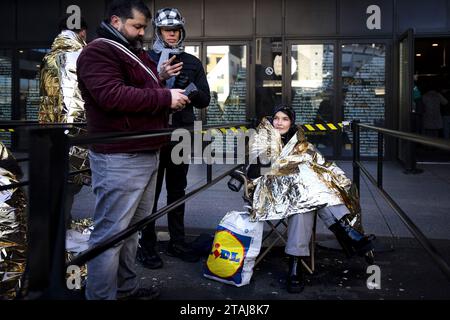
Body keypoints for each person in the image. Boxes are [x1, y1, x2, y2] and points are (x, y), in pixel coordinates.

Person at [76, 0, 189, 300]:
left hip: (143, 151)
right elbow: (112, 95)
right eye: (137, 26)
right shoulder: (98, 51)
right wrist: (165, 97)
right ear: (116, 21)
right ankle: (101, 296)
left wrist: (160, 77)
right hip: (120, 156)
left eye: (144, 28)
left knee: (130, 233)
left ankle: (124, 289)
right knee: (111, 235)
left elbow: (137, 85)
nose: (142, 33)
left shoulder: (130, 50)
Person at [246, 105, 375, 293]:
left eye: (285, 119)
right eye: (277, 118)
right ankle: (346, 231)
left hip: (299, 194)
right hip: (270, 190)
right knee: (308, 186)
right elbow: (254, 170)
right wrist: (284, 166)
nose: (279, 122)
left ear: (291, 123)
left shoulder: (300, 141)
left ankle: (295, 265)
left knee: (306, 200)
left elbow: (318, 163)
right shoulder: (262, 137)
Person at [137, 7, 210, 268]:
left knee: (177, 191)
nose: (172, 34)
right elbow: (136, 94)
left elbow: (206, 99)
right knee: (150, 194)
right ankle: (146, 246)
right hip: (153, 133)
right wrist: (161, 77)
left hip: (180, 135)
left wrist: (186, 89)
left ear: (182, 31)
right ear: (158, 31)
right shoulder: (143, 58)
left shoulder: (192, 62)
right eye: (167, 29)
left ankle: (177, 242)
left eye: (176, 29)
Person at [39, 14, 89, 226]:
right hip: (74, 133)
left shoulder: (48, 58)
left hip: (50, 134)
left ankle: (57, 227)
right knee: (70, 182)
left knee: (58, 182)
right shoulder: (81, 55)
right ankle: (59, 231)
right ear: (81, 32)